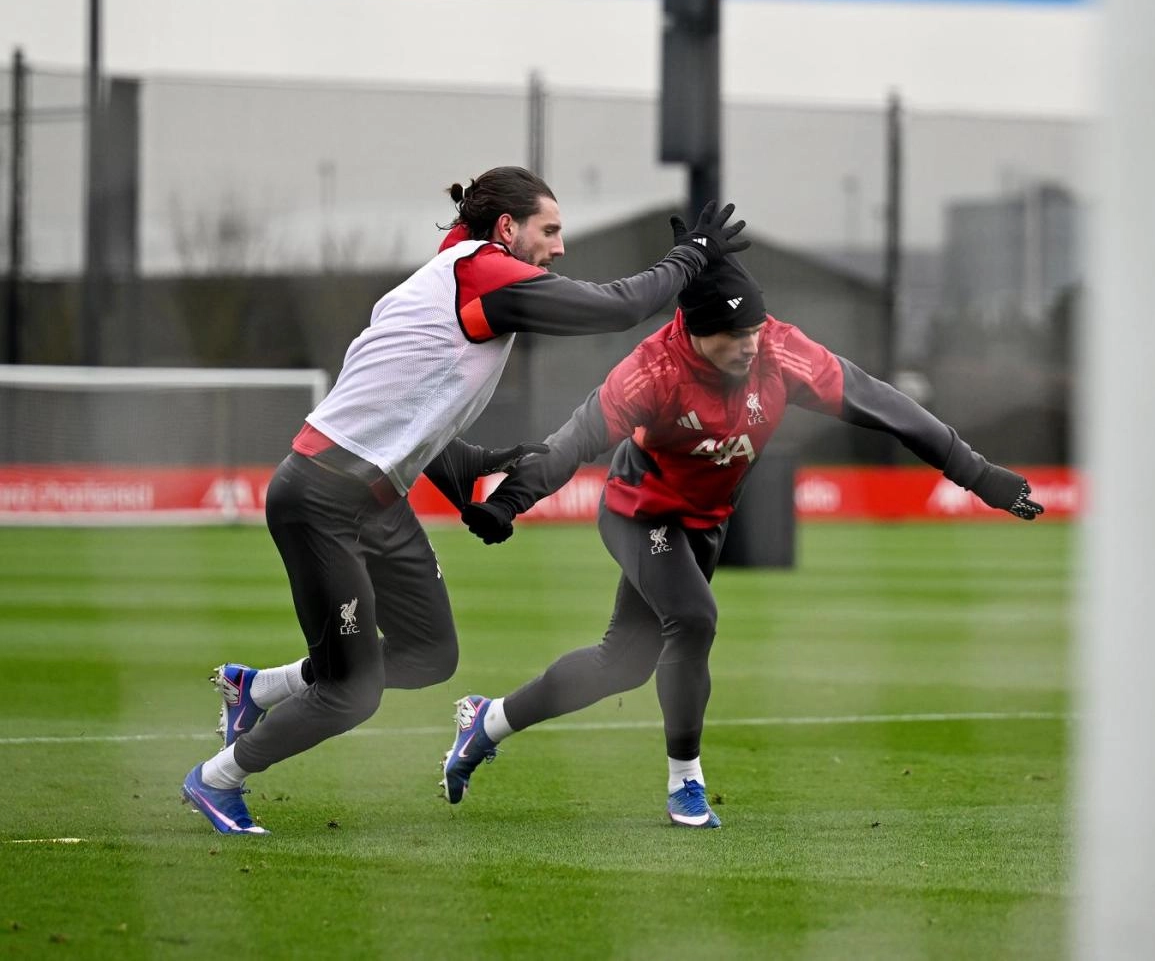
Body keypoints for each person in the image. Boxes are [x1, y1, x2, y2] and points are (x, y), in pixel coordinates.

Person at [180, 168, 750, 835]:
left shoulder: (453, 272)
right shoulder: (482, 272)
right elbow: (615, 308)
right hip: (322, 498)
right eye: (550, 230)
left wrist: (475, 470)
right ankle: (218, 778)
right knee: (350, 691)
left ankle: (259, 688)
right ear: (507, 228)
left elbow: (413, 413)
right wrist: (690, 257)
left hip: (376, 500)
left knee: (429, 653)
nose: (560, 246)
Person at [438, 221, 1044, 829]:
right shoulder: (652, 370)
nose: (750, 344)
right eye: (733, 334)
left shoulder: (780, 351)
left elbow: (886, 405)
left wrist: (980, 474)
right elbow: (573, 442)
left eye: (754, 328)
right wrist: (509, 501)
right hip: (641, 511)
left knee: (622, 663)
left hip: (706, 523)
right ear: (696, 332)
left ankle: (488, 721)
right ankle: (686, 783)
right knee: (694, 618)